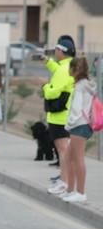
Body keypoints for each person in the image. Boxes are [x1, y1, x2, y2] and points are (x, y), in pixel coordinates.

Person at [44, 35, 77, 197]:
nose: (54, 52)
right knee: (66, 151)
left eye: (56, 50)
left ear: (61, 51)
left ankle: (64, 184)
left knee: (63, 151)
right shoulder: (69, 66)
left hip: (59, 117)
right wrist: (48, 63)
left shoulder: (63, 70)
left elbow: (53, 92)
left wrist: (45, 87)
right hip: (67, 115)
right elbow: (59, 71)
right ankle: (67, 183)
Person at [62, 56, 95, 204]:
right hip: (83, 125)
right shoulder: (86, 85)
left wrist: (69, 125)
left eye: (70, 67)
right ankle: (70, 190)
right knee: (69, 157)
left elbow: (76, 110)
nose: (68, 70)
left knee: (78, 159)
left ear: (75, 70)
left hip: (79, 126)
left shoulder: (80, 86)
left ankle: (81, 193)